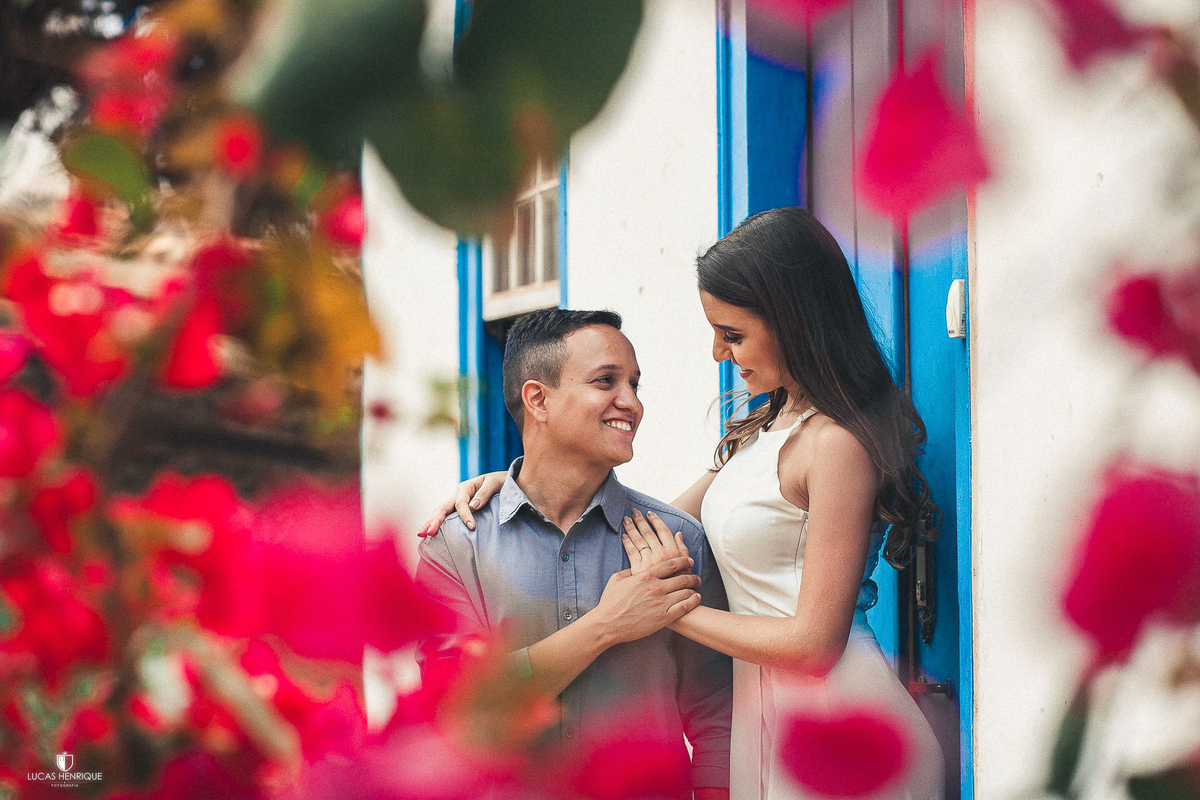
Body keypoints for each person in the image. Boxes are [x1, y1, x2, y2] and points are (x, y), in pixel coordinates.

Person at [423, 207, 945, 800]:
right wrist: (513, 483)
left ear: (794, 321)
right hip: (769, 712)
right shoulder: (761, 427)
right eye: (719, 332)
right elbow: (645, 518)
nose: (720, 353)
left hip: (837, 715)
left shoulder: (838, 444)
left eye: (734, 333)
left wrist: (663, 610)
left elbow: (814, 645)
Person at [415, 308, 734, 800]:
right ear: (537, 399)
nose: (631, 403)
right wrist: (608, 624)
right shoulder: (456, 545)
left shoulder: (679, 543)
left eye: (634, 384)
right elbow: (461, 707)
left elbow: (716, 714)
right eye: (606, 381)